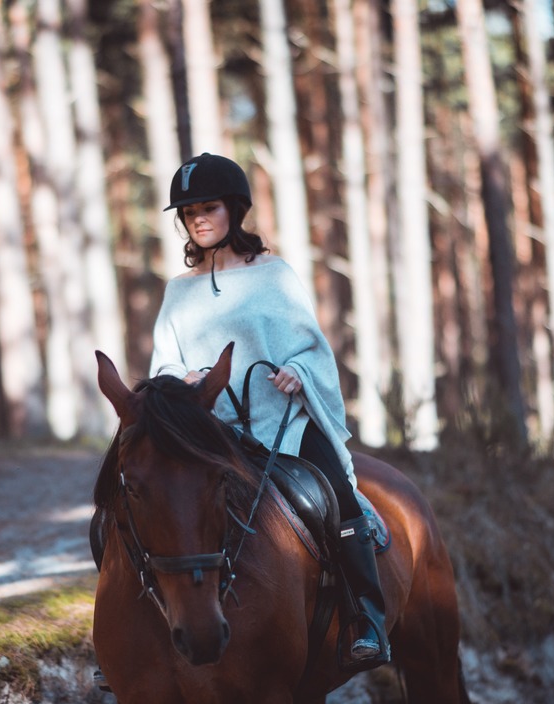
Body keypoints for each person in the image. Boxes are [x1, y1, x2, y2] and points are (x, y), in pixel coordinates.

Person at [148, 152, 389, 671]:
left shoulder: (273, 275)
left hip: (284, 426)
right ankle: (141, 639)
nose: (198, 220)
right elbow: (164, 364)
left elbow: (310, 348)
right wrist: (180, 380)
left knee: (336, 496)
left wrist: (299, 371)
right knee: (152, 508)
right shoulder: (177, 292)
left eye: (208, 207)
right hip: (213, 435)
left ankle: (367, 617)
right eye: (188, 213)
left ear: (235, 209)